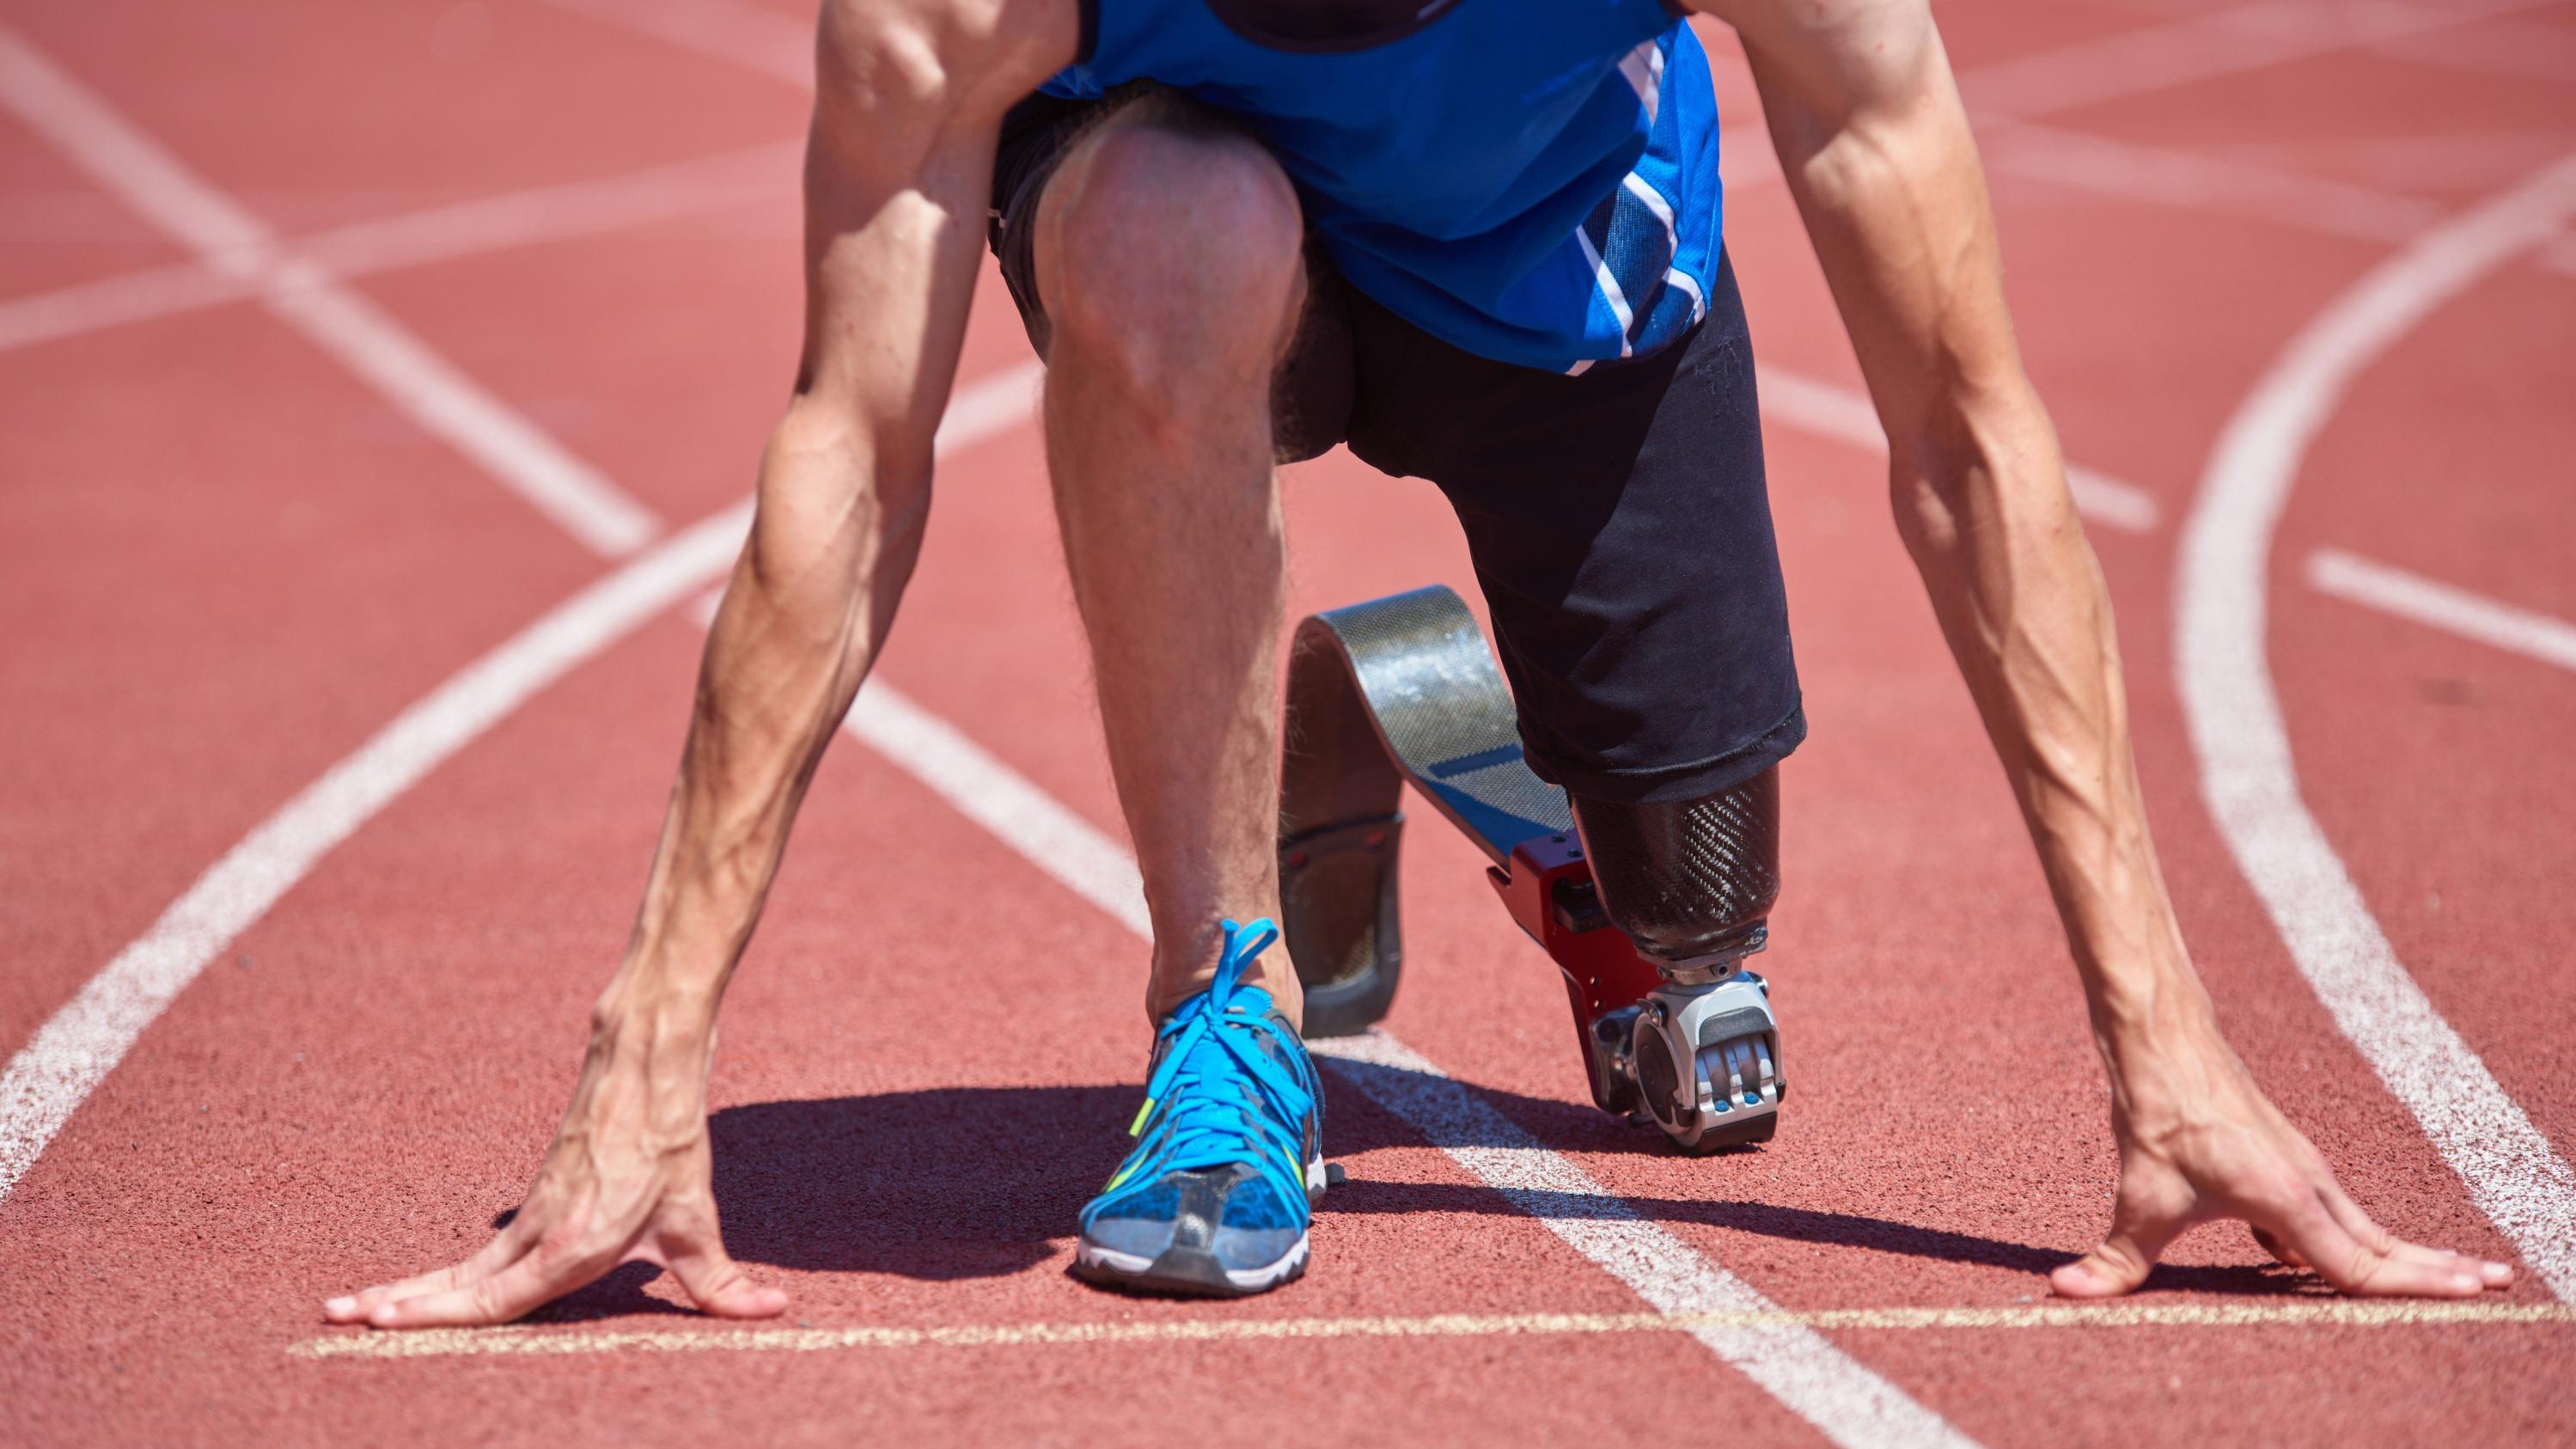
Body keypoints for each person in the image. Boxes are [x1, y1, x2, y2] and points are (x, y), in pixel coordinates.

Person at [325, 0, 2518, 1323]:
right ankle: (1222, 1015)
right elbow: (846, 452)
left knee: (1702, 917)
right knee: (1190, 234)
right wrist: (646, 1054)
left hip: (1561, 260)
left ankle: (1483, 779)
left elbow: (1963, 437)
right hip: (1172, 219)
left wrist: (2170, 1052)